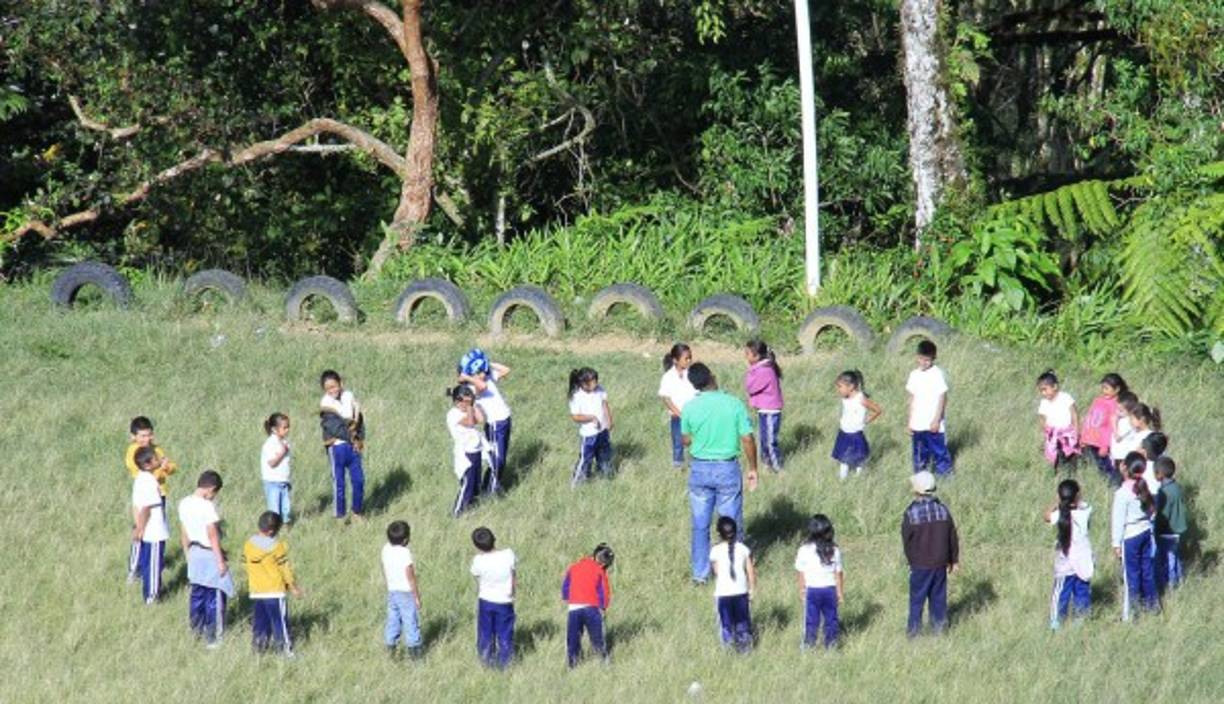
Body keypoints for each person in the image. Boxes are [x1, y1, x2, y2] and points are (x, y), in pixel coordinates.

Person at [680, 363, 759, 584]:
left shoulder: (690, 407)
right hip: (727, 468)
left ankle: (700, 574)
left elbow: (685, 439)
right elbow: (747, 438)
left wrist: (699, 438)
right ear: (712, 377)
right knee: (731, 522)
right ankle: (734, 571)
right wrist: (753, 468)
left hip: (700, 468)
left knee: (700, 524)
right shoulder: (734, 404)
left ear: (694, 385)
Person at [178, 470, 233, 648]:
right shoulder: (207, 506)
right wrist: (220, 560)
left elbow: (184, 531)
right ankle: (214, 637)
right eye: (214, 493)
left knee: (197, 594)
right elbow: (212, 535)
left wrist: (187, 552)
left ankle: (196, 631)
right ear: (210, 489)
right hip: (209, 553)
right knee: (216, 595)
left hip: (194, 551)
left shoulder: (184, 503)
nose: (213, 497)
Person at [901, 471, 959, 636]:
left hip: (920, 565)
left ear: (917, 490)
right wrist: (954, 560)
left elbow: (907, 541)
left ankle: (913, 634)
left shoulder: (911, 513)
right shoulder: (943, 510)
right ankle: (939, 631)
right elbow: (952, 536)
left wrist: (910, 560)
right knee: (938, 600)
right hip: (940, 563)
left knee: (916, 601)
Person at [125, 416, 177, 581]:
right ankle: (134, 568)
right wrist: (161, 469)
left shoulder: (156, 450)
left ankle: (153, 563)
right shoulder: (134, 452)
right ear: (134, 436)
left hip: (159, 495)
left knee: (156, 530)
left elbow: (172, 467)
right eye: (142, 436)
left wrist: (167, 466)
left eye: (149, 435)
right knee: (140, 529)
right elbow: (141, 471)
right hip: (145, 496)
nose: (146, 439)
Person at [242, 511, 301, 656]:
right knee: (279, 622)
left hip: (256, 591)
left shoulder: (249, 544)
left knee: (260, 622)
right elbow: (284, 568)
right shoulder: (277, 546)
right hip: (274, 590)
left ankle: (258, 649)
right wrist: (292, 587)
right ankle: (285, 650)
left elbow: (244, 564)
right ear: (272, 531)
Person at [458, 349, 513, 496]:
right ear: (472, 372)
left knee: (501, 458)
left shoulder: (487, 377)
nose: (483, 372)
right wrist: (468, 377)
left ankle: (493, 485)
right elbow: (482, 387)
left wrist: (488, 363)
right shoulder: (472, 387)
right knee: (497, 459)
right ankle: (488, 491)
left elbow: (506, 370)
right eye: (479, 370)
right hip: (495, 424)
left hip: (505, 420)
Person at [1111, 453, 1157, 621]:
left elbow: (1118, 521)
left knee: (1131, 575)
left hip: (1130, 538)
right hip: (1145, 533)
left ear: (1124, 468)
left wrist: (1116, 543)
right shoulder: (1144, 488)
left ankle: (1129, 615)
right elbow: (1152, 512)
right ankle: (1152, 606)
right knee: (1147, 571)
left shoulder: (1122, 493)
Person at [1045, 479, 1093, 629]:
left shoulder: (1059, 515)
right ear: (1077, 496)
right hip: (1083, 560)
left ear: (1060, 496)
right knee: (1082, 591)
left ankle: (1056, 621)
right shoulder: (1086, 512)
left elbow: (1046, 516)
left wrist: (1056, 502)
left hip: (1065, 562)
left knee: (1060, 593)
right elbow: (1084, 504)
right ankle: (1081, 619)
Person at [319, 370, 365, 523]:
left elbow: (359, 421)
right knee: (339, 482)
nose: (332, 390)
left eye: (334, 386)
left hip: (353, 447)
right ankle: (340, 515)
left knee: (358, 480)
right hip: (337, 447)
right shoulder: (326, 404)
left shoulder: (349, 396)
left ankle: (356, 512)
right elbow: (335, 428)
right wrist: (352, 436)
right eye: (328, 388)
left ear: (340, 383)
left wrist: (360, 439)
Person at [795, 514, 844, 648]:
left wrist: (801, 590)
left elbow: (800, 573)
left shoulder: (803, 550)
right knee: (831, 620)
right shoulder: (834, 550)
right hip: (830, 590)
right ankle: (831, 645)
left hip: (812, 590)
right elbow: (838, 574)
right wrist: (840, 593)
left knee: (811, 620)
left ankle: (808, 645)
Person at [469, 527, 516, 669]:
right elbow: (513, 574)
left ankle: (485, 660)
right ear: (494, 538)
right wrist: (513, 591)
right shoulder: (509, 554)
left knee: (485, 632)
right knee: (505, 633)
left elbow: (476, 576)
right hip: (505, 600)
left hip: (486, 600)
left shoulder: (478, 560)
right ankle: (505, 663)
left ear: (477, 546)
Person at [561, 544, 614, 668]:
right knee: (597, 638)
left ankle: (572, 664)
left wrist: (569, 598)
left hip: (574, 608)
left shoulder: (574, 567)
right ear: (604, 563)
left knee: (573, 638)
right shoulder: (600, 571)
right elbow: (604, 592)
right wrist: (603, 607)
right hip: (592, 608)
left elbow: (565, 588)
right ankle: (603, 663)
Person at [906, 340, 952, 475]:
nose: (924, 362)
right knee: (919, 453)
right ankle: (921, 479)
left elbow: (942, 397)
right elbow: (911, 399)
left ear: (933, 358)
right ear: (917, 357)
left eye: (927, 360)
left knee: (939, 451)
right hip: (917, 423)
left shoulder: (937, 374)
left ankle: (945, 476)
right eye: (921, 359)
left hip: (933, 423)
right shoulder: (914, 375)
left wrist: (936, 420)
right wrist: (910, 421)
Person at [710, 517, 755, 652]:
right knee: (742, 623)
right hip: (741, 592)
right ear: (736, 532)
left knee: (726, 624)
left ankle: (728, 649)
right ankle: (745, 649)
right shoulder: (744, 549)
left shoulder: (715, 551)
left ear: (719, 533)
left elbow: (716, 571)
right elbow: (750, 571)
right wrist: (752, 588)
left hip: (723, 594)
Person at [131, 446, 169, 605]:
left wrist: (138, 526)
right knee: (153, 565)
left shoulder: (140, 478)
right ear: (147, 464)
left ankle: (149, 593)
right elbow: (147, 508)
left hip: (146, 530)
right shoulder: (149, 481)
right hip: (154, 531)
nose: (159, 459)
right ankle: (152, 597)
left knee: (147, 563)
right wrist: (141, 528)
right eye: (155, 458)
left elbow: (136, 506)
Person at [382, 520, 423, 659]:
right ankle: (415, 653)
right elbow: (410, 576)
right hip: (405, 592)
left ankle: (390, 648)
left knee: (393, 620)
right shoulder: (405, 553)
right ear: (405, 539)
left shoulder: (386, 549)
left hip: (392, 590)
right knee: (410, 622)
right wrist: (416, 596)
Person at [832, 370, 882, 479]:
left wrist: (867, 420)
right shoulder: (844, 398)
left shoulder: (861, 399)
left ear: (851, 387)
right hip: (844, 433)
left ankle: (859, 477)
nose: (838, 390)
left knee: (859, 458)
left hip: (855, 434)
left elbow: (878, 410)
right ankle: (842, 479)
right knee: (843, 458)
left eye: (840, 387)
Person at [568, 367, 614, 486]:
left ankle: (606, 479)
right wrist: (591, 418)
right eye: (592, 381)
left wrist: (609, 420)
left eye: (596, 380)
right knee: (585, 459)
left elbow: (605, 404)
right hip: (589, 435)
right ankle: (577, 482)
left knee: (604, 456)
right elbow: (575, 416)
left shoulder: (600, 390)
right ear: (584, 383)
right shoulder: (576, 396)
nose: (595, 383)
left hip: (603, 431)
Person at [743, 340, 784, 472]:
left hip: (770, 411)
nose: (746, 356)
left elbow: (751, 387)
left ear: (757, 356)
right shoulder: (764, 368)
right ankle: (767, 465)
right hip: (765, 410)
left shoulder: (765, 371)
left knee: (769, 442)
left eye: (748, 354)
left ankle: (778, 468)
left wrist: (750, 371)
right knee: (764, 440)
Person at [1080, 373, 1127, 484]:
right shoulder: (1097, 400)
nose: (1104, 391)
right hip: (1091, 440)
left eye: (1107, 388)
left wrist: (1105, 445)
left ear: (1117, 389)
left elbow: (1112, 427)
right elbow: (1089, 418)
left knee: (1106, 467)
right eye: (1102, 388)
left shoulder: (1116, 405)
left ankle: (1112, 485)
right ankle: (1103, 484)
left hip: (1102, 443)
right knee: (1095, 465)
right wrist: (1083, 437)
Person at [447, 385, 486, 517]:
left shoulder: (467, 409)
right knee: (467, 484)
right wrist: (470, 406)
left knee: (476, 483)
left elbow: (481, 420)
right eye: (464, 401)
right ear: (457, 401)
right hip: (465, 454)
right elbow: (470, 422)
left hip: (476, 451)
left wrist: (473, 403)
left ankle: (470, 508)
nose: (466, 404)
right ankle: (457, 512)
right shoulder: (453, 414)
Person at [658, 343, 696, 469]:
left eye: (690, 357)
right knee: (678, 441)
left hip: (693, 415)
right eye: (686, 358)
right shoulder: (668, 377)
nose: (689, 360)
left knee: (694, 440)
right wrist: (679, 413)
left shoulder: (692, 374)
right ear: (675, 360)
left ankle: (694, 462)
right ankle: (678, 465)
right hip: (677, 416)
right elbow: (666, 398)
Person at [1036, 369, 1079, 472]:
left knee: (1070, 455)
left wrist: (1077, 430)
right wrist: (1045, 429)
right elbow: (1042, 418)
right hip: (1054, 434)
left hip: (1068, 433)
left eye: (1045, 389)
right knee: (1056, 456)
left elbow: (1074, 413)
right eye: (1041, 390)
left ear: (1055, 387)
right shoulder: (1044, 402)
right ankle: (1058, 473)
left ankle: (1071, 474)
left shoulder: (1065, 397)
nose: (1043, 393)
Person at [1154, 457, 1187, 592]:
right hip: (1178, 529)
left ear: (1159, 474)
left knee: (1167, 559)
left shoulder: (1164, 492)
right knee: (1175, 556)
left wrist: (1156, 528)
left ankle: (1170, 585)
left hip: (1167, 531)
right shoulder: (1177, 487)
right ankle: (1180, 578)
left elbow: (1163, 515)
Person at [260, 413, 292, 524]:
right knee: (274, 511)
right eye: (284, 427)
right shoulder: (270, 444)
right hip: (272, 482)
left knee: (286, 510)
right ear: (274, 429)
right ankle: (274, 530)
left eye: (288, 427)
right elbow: (272, 463)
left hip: (283, 481)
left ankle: (286, 528)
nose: (287, 430)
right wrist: (282, 453)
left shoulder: (285, 442)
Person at [1109, 391, 1141, 470]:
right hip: (1119, 455)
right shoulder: (1125, 420)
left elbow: (1117, 437)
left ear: (1130, 411)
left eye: (1121, 410)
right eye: (1117, 408)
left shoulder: (1126, 422)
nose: (1117, 412)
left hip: (1122, 456)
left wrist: (1114, 422)